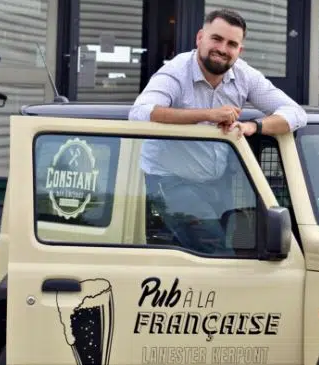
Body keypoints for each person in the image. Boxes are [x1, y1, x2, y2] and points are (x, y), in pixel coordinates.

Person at [129, 8, 307, 255]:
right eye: (216, 39)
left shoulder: (244, 75)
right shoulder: (176, 71)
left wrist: (252, 126)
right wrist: (207, 115)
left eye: (232, 44)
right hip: (170, 181)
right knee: (217, 252)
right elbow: (139, 114)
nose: (223, 49)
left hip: (219, 183)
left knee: (235, 249)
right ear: (200, 38)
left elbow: (296, 113)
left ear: (239, 50)